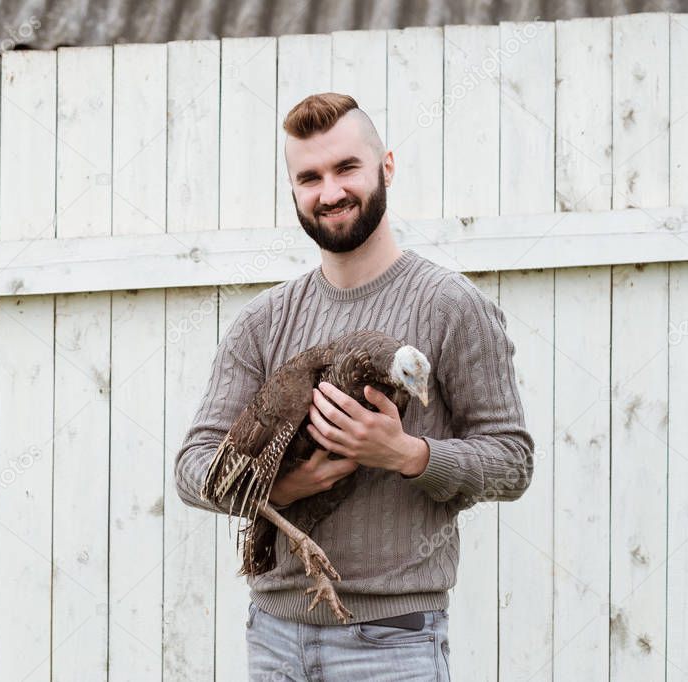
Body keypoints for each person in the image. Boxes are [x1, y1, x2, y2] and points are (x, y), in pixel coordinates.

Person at [173, 93, 535, 680]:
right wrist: (279, 490)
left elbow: (513, 461)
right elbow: (193, 467)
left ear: (385, 167)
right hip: (274, 640)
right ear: (294, 192)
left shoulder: (450, 306)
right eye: (309, 177)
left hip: (394, 647)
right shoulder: (264, 322)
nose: (330, 191)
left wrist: (408, 455)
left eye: (347, 168)